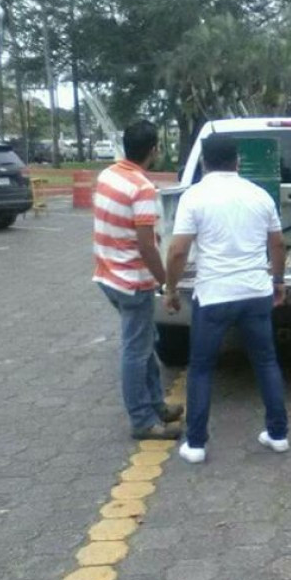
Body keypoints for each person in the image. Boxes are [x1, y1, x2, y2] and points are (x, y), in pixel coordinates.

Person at [164, 135, 289, 464]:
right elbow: (278, 246)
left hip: (215, 295)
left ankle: (196, 444)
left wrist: (171, 289)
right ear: (238, 161)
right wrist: (278, 281)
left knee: (202, 368)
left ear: (204, 162)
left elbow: (178, 251)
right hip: (255, 292)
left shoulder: (194, 197)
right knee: (266, 363)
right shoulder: (259, 195)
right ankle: (278, 435)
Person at [93, 120, 183, 440]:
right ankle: (143, 420)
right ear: (154, 150)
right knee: (137, 350)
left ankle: (156, 405)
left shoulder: (108, 175)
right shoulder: (141, 188)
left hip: (108, 276)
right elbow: (147, 245)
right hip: (132, 281)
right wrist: (167, 284)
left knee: (143, 345)